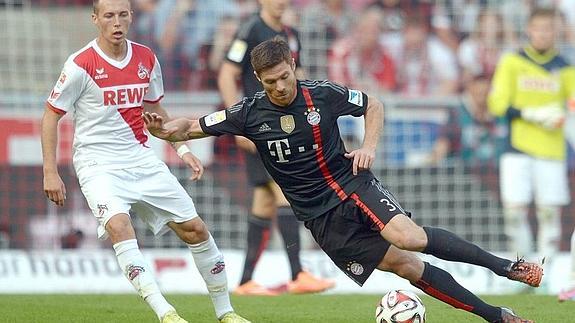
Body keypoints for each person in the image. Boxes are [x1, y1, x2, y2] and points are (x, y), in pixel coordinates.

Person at [144, 36, 544, 323]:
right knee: (407, 267)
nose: (280, 87)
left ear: (293, 67)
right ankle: (499, 318)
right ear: (258, 79)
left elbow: (374, 105)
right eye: (270, 82)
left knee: (410, 237)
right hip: (319, 218)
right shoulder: (248, 113)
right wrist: (165, 130)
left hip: (352, 184)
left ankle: (508, 267)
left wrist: (368, 146)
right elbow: (191, 126)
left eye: (284, 77)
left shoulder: (322, 95)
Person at [41, 1, 250, 322]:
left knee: (195, 230)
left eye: (122, 14)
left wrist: (182, 149)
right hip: (98, 164)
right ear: (95, 19)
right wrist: (50, 171)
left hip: (140, 157)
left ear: (131, 17)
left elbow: (156, 113)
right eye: (109, 16)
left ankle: (226, 313)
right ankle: (166, 314)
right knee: (119, 226)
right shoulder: (80, 64)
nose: (116, 22)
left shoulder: (146, 59)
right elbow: (50, 116)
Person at [217, 0, 334, 295]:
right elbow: (226, 74)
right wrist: (237, 122)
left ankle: (245, 281)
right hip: (261, 125)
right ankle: (298, 274)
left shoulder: (291, 34)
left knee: (264, 201)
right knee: (283, 192)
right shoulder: (250, 29)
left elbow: (301, 76)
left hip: (289, 126)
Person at [488, 8, 575, 259]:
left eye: (549, 29)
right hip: (516, 148)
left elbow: (572, 104)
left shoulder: (566, 69)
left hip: (551, 150)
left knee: (549, 213)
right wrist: (530, 114)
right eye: (539, 28)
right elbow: (497, 103)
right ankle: (523, 268)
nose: (544, 34)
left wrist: (562, 113)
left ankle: (545, 271)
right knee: (514, 213)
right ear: (529, 30)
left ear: (556, 31)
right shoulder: (513, 62)